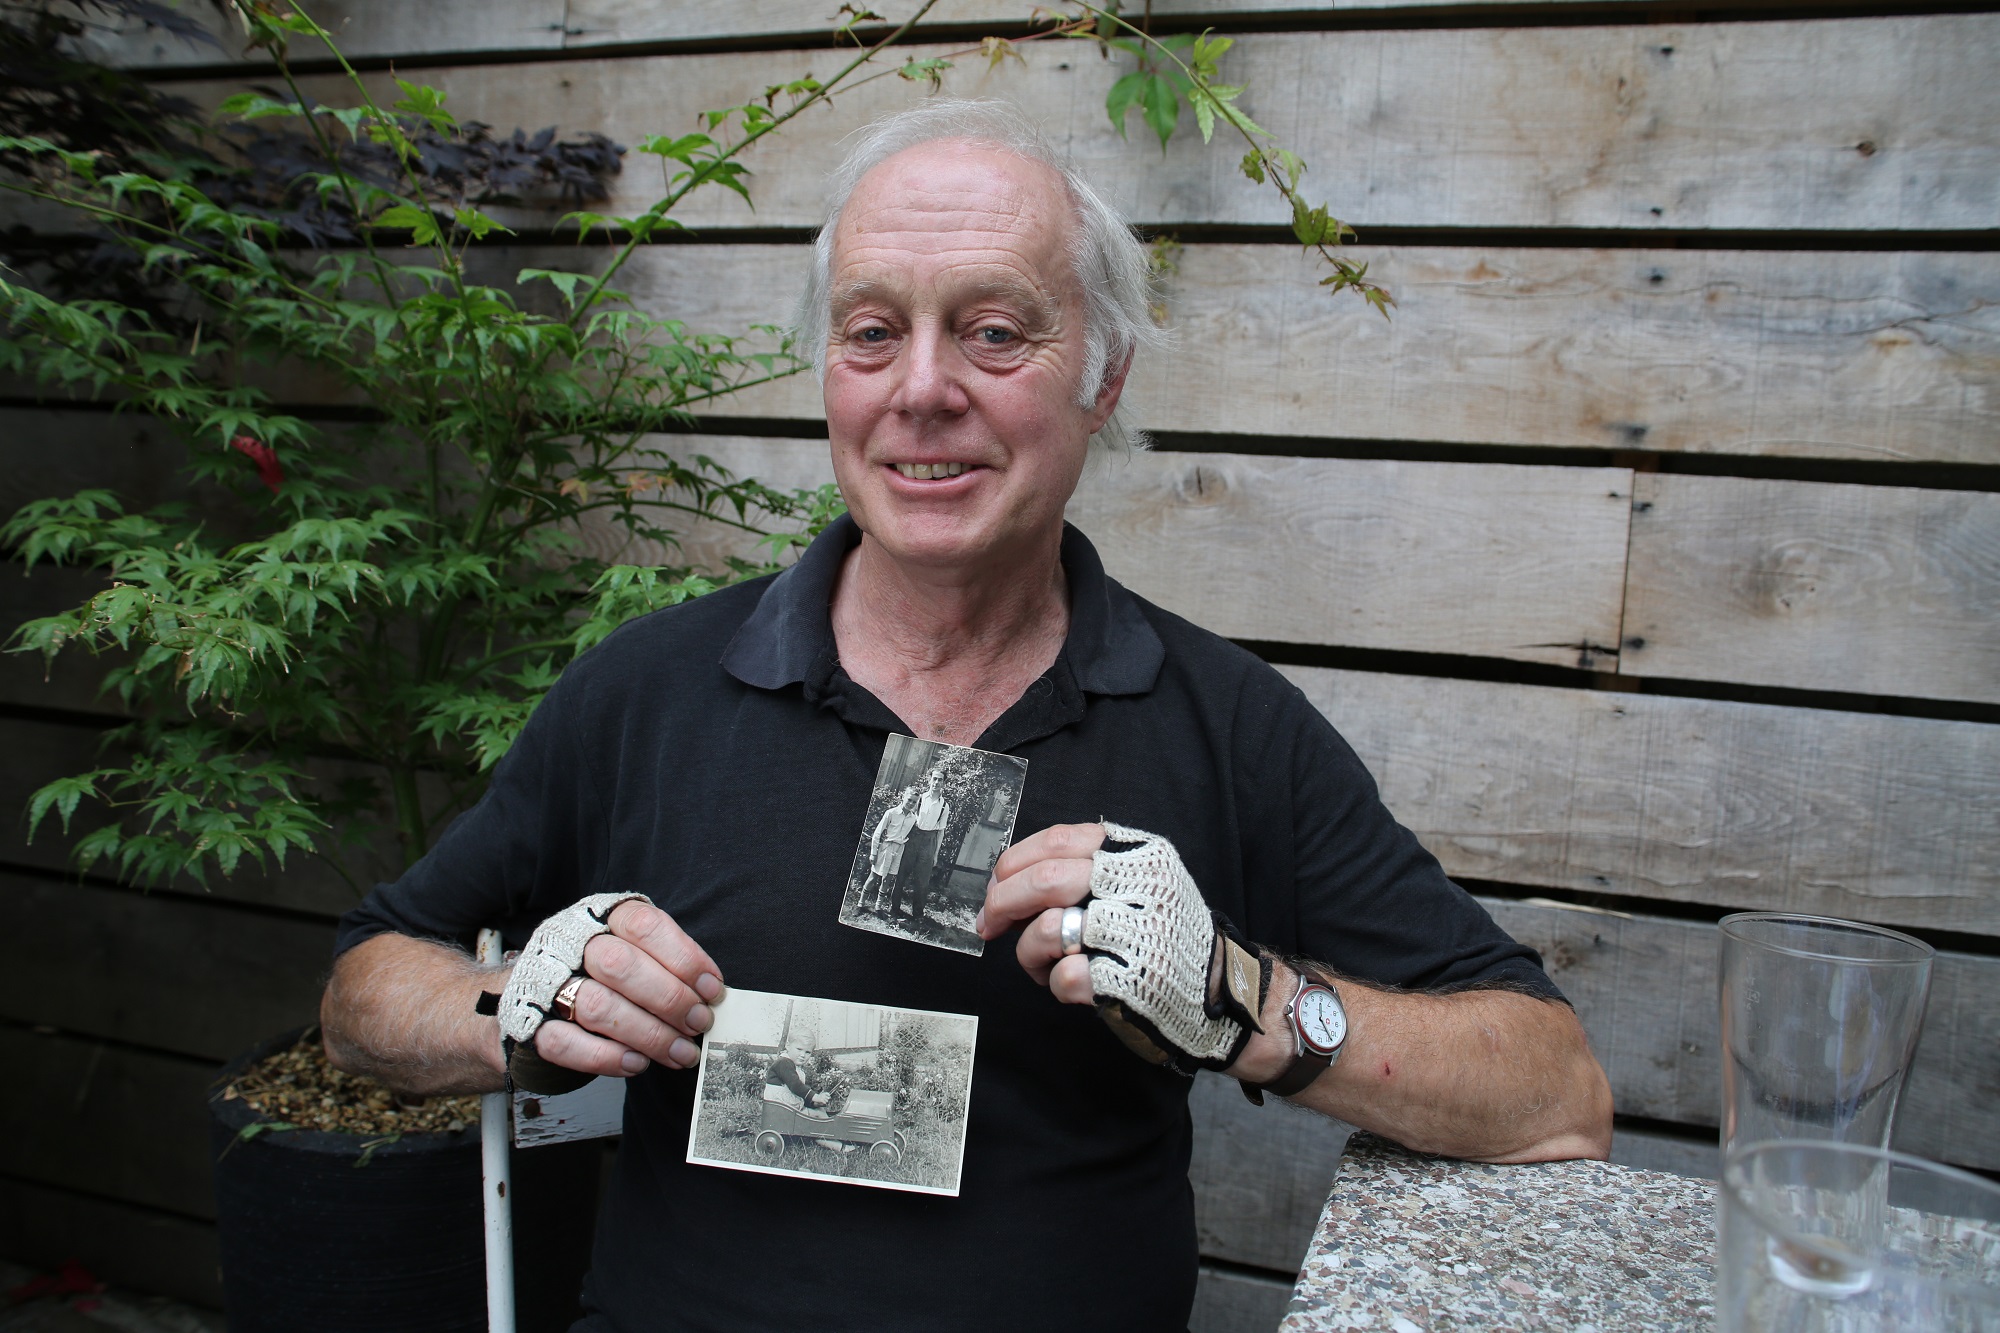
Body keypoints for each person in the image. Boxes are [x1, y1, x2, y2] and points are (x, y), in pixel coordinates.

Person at [319, 99, 1612, 1331]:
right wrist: (521, 1009)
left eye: (996, 331)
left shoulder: (1229, 723)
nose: (922, 387)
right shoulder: (648, 689)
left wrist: (1243, 1001)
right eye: (871, 329)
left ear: (1103, 377)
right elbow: (364, 990)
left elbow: (1555, 1091)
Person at [889, 771, 950, 920]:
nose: (936, 782)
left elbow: (940, 832)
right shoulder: (920, 798)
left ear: (943, 783)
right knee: (901, 875)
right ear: (929, 780)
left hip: (929, 841)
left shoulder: (944, 806)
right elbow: (906, 818)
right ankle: (894, 909)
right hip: (913, 838)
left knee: (922, 880)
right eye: (934, 779)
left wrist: (935, 854)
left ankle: (918, 915)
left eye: (940, 780)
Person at [859, 788, 917, 913]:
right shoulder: (891, 813)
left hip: (899, 849)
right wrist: (873, 853)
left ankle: (878, 907)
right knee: (874, 876)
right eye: (909, 800)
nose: (911, 803)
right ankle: (860, 904)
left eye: (914, 802)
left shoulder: (913, 818)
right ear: (903, 797)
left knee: (888, 879)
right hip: (887, 847)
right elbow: (877, 833)